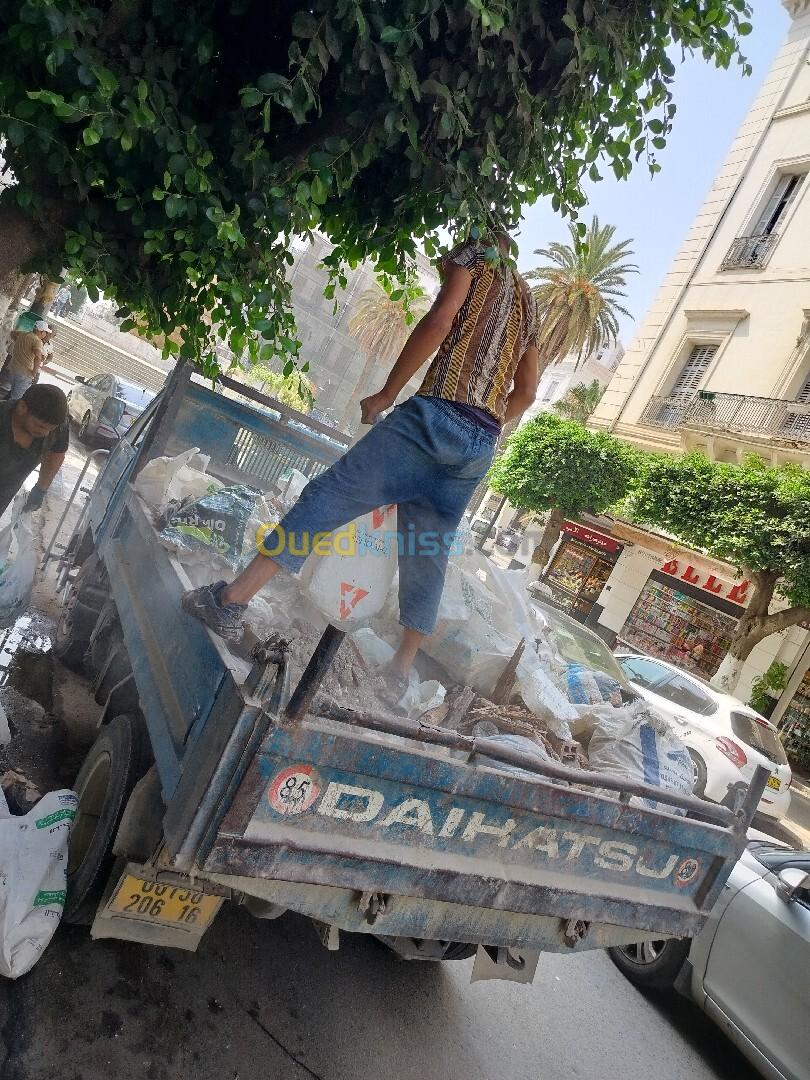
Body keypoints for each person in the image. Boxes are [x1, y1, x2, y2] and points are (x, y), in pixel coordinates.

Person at [182, 232, 540, 676]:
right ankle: (401, 667)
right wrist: (487, 423)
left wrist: (387, 394)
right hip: (478, 449)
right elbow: (526, 392)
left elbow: (440, 321)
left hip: (435, 418)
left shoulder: (473, 258)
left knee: (326, 497)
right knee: (427, 548)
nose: (447, 270)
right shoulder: (529, 301)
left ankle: (231, 600)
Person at [0, 384, 69, 515]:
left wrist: (41, 489)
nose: (45, 433)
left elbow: (55, 456)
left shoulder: (58, 425)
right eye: (40, 426)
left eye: (50, 429)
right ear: (22, 407)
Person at [8, 320, 51, 401]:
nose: (46, 335)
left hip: (13, 369)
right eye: (45, 332)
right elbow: (38, 356)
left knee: (11, 394)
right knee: (16, 400)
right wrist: (34, 373)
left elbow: (12, 333)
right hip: (24, 373)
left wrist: (16, 341)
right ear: (41, 332)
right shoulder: (37, 341)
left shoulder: (23, 334)